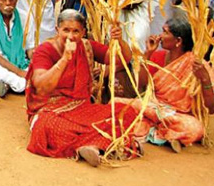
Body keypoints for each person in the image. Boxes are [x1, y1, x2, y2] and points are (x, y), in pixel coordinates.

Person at [25, 10, 141, 167]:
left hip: (82, 107)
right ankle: (105, 143)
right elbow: (41, 87)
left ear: (83, 33)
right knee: (45, 127)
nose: (71, 36)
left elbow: (123, 58)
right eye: (66, 30)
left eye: (76, 31)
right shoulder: (45, 50)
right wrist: (65, 59)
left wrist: (119, 40)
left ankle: (90, 145)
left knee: (125, 112)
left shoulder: (86, 46)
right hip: (51, 110)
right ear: (57, 29)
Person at [123, 18, 214, 151]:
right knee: (117, 104)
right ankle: (165, 134)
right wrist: (148, 54)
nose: (160, 36)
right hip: (153, 108)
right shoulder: (158, 56)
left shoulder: (197, 65)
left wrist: (205, 79)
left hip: (178, 116)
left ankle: (156, 131)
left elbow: (212, 108)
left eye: (165, 32)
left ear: (178, 41)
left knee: (194, 128)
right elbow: (140, 83)